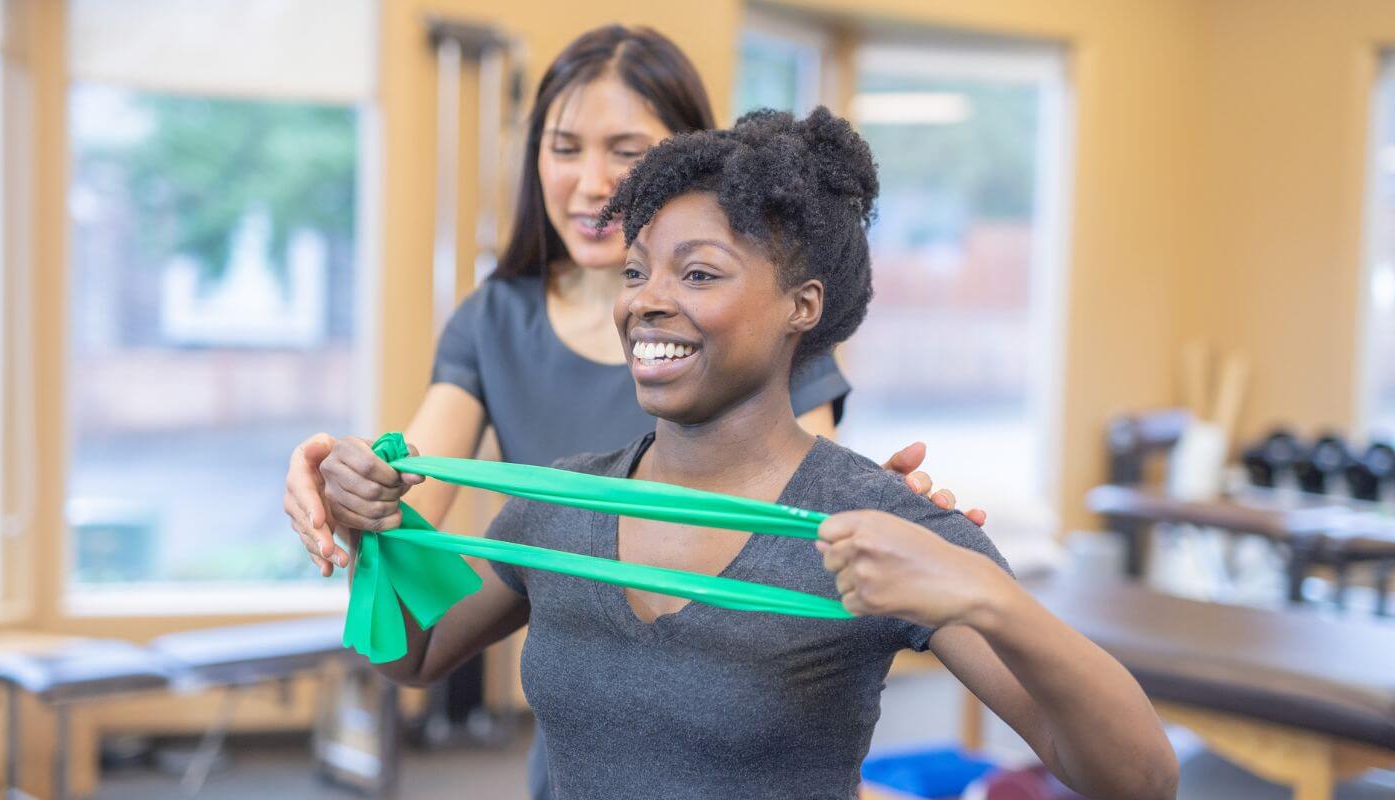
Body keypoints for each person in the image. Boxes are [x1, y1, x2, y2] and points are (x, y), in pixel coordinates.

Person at [324, 108, 1179, 799]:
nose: (647, 303)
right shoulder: (562, 502)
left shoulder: (875, 526)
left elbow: (1138, 779)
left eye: (698, 274)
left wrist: (990, 598)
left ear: (801, 305)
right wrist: (371, 529)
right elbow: (411, 654)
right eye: (636, 273)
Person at [284, 26, 983, 800]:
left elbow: (793, 514)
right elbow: (405, 490)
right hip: (580, 743)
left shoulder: (749, 334)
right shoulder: (495, 322)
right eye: (564, 147)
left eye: (626, 152)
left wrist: (891, 509)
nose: (592, 184)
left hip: (740, 734)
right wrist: (349, 490)